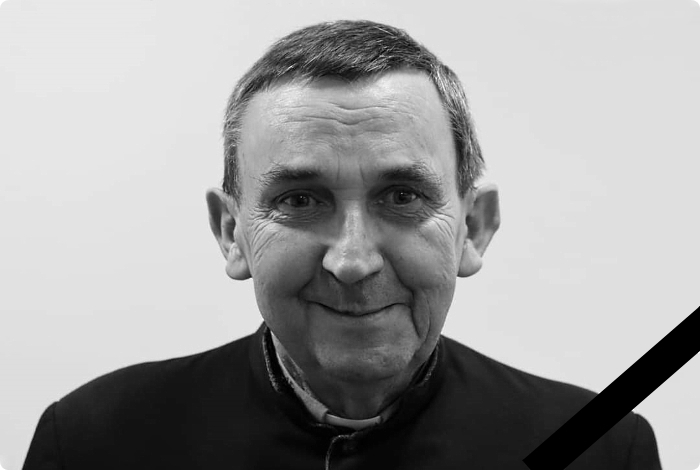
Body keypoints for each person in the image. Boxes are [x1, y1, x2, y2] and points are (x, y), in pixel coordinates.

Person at [23, 20, 662, 469]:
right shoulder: (90, 443)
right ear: (231, 232)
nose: (352, 260)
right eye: (301, 201)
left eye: (402, 196)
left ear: (473, 227)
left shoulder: (602, 450)